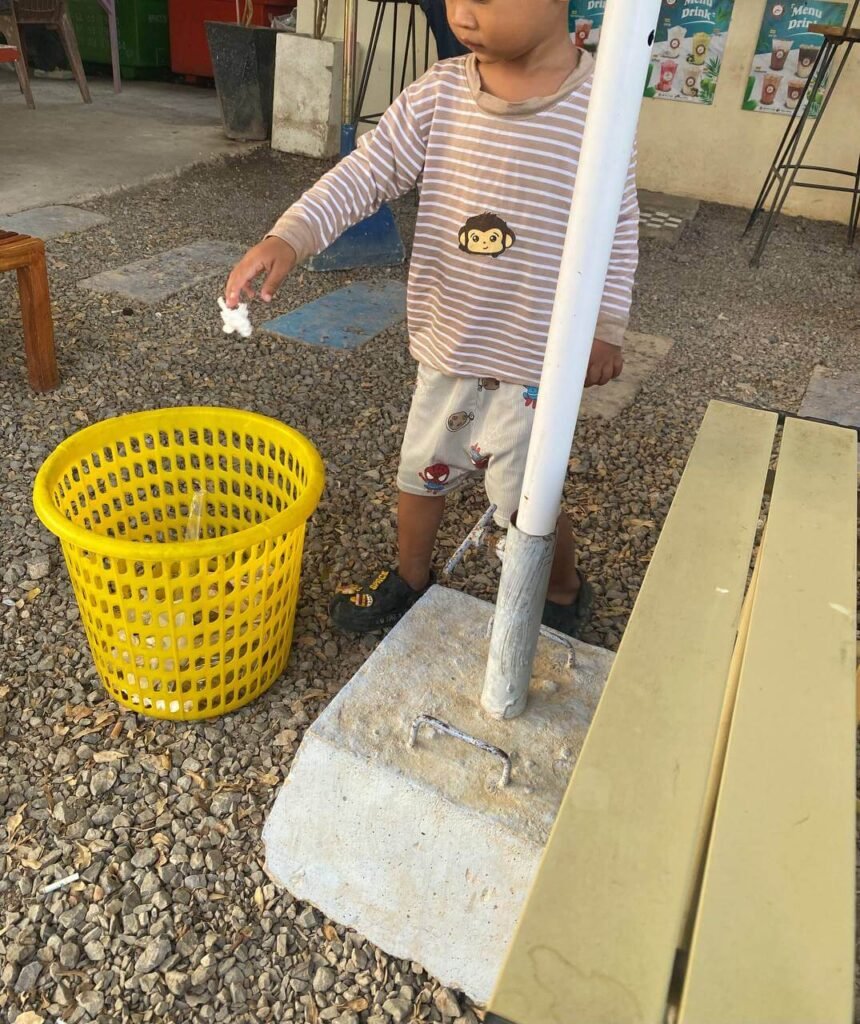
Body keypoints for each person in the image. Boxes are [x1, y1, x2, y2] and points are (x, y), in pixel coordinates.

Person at [225, 0, 639, 637]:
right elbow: (366, 173)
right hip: (451, 343)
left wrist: (608, 325)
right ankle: (411, 577)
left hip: (538, 360)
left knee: (525, 501)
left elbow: (619, 225)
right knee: (420, 471)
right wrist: (293, 235)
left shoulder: (599, 108)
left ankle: (559, 589)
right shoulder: (440, 92)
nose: (463, 13)